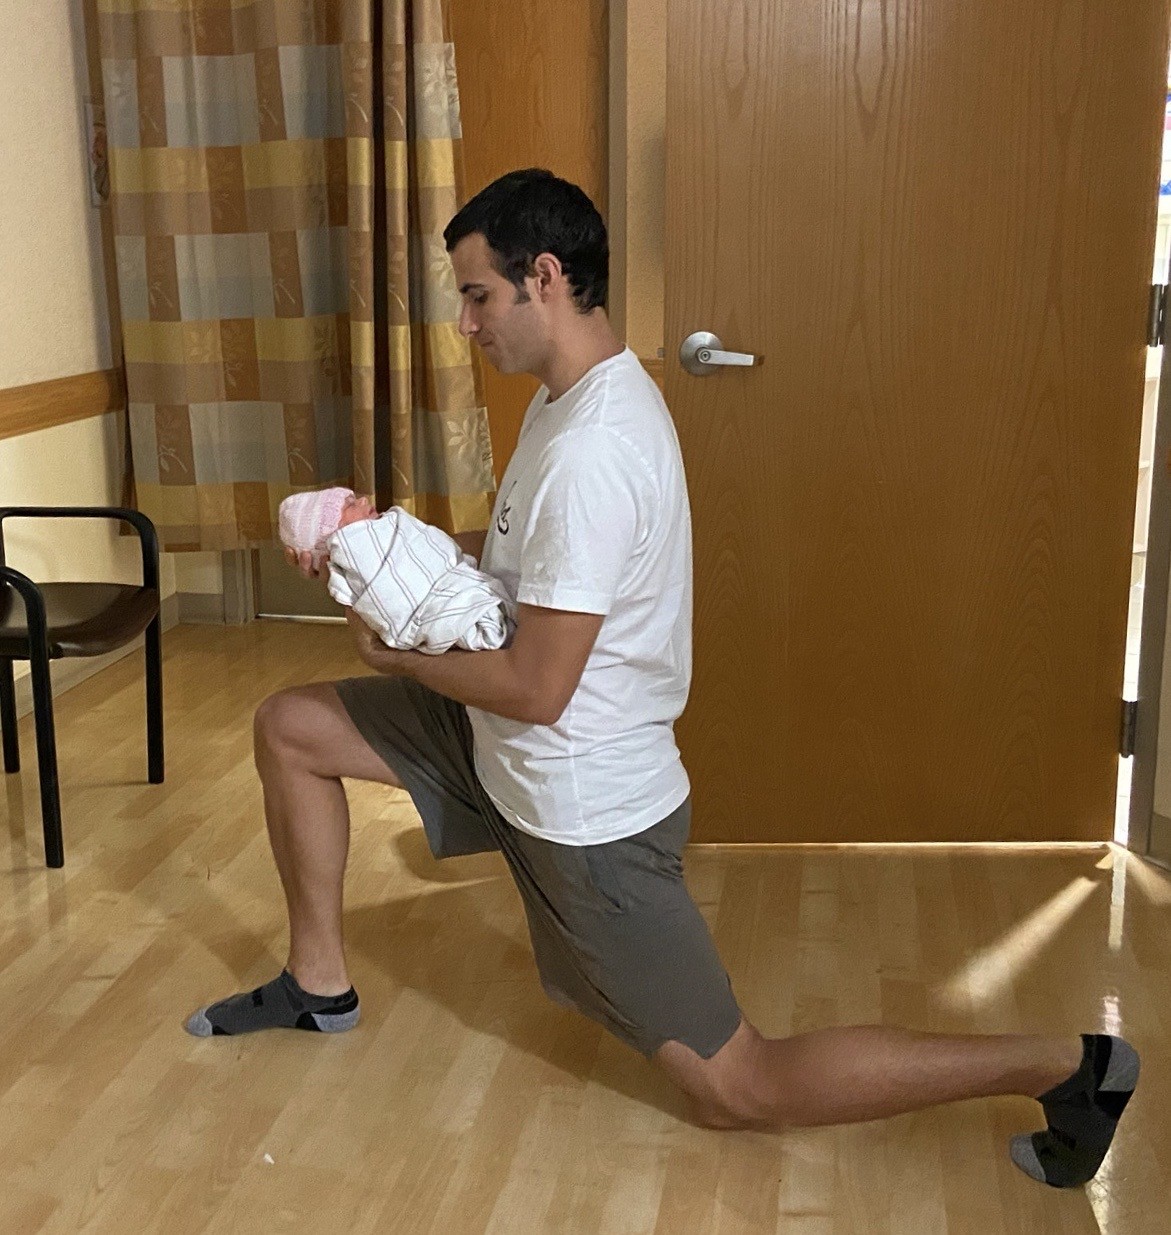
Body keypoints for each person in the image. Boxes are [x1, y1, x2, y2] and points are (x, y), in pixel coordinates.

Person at [186, 169, 1137, 1190]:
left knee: (740, 1086)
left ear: (544, 277)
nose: (464, 323)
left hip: (581, 808)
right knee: (292, 726)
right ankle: (319, 983)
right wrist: (380, 548)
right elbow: (522, 570)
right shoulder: (571, 399)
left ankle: (1070, 1067)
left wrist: (393, 654)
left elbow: (536, 687)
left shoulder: (593, 449)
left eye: (476, 294)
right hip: (507, 750)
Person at [277, 487, 514, 653]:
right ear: (329, 536)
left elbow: (428, 552)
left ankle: (474, 611)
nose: (363, 501)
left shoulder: (391, 524)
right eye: (350, 504)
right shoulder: (353, 545)